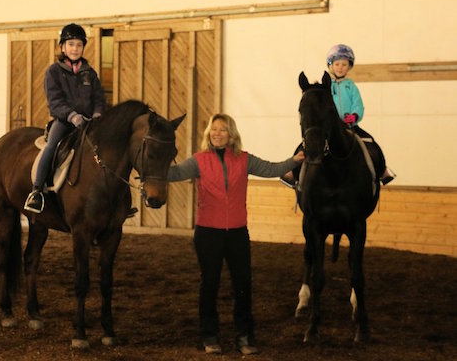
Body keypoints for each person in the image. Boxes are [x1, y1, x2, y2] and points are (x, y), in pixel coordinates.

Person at [168, 114, 304, 355]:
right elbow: (174, 173)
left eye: (222, 129)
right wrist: (147, 162)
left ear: (231, 135)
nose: (217, 133)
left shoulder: (244, 159)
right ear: (209, 133)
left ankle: (244, 336)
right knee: (209, 285)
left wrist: (295, 160)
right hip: (208, 233)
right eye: (214, 129)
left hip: (238, 234)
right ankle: (209, 336)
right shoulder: (199, 161)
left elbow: (272, 168)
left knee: (243, 286)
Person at [282, 44, 395, 187]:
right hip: (330, 128)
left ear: (349, 67)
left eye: (344, 64)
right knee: (303, 147)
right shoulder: (326, 87)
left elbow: (358, 104)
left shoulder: (351, 86)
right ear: (331, 65)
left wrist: (354, 115)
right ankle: (293, 174)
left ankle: (381, 170)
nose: (340, 67)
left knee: (372, 144)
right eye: (337, 64)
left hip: (350, 126)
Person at [24, 23, 106, 213]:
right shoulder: (54, 71)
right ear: (63, 47)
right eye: (71, 44)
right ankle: (37, 191)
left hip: (89, 123)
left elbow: (99, 98)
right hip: (65, 122)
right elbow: (55, 101)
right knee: (52, 146)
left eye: (78, 45)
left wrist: (98, 113)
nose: (75, 49)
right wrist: (72, 115)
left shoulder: (90, 73)